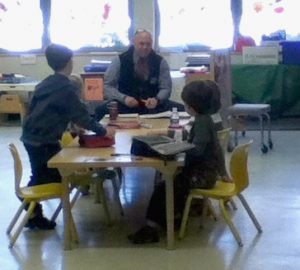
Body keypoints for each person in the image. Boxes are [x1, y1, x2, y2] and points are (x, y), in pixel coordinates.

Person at [20, 44, 115, 230]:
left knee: (42, 173)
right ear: (69, 62)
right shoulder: (66, 87)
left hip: (31, 135)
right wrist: (104, 132)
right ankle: (27, 200)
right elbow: (81, 116)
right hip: (44, 139)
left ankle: (33, 212)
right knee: (55, 176)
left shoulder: (45, 83)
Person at [128, 80, 226, 244]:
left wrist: (178, 147)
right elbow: (212, 148)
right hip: (206, 173)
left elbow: (198, 150)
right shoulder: (206, 119)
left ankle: (151, 228)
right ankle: (171, 218)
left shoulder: (202, 122)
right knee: (172, 184)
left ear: (192, 107)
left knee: (163, 188)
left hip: (201, 175)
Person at [94, 29, 185, 121]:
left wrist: (157, 99)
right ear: (134, 43)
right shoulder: (119, 60)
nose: (145, 47)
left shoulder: (160, 62)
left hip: (153, 106)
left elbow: (166, 88)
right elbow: (107, 86)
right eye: (141, 44)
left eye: (148, 44)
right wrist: (124, 98)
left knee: (182, 110)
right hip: (125, 105)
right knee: (100, 110)